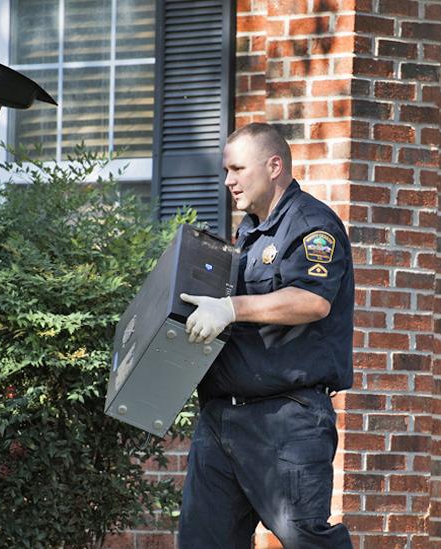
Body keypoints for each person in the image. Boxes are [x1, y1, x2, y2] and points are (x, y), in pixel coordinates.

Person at [177, 122, 354, 548]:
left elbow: (313, 301)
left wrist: (231, 307)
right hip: (221, 420)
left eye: (237, 169)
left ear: (274, 166)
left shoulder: (310, 223)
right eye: (226, 170)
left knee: (306, 539)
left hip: (285, 420)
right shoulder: (250, 233)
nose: (228, 181)